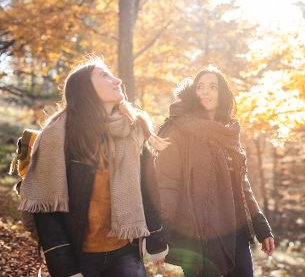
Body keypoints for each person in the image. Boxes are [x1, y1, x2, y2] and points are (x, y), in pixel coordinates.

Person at [18, 58, 169, 277]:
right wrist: (65, 267)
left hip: (124, 252)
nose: (117, 80)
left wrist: (156, 238)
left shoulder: (132, 130)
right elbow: (46, 211)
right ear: (84, 89)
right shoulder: (58, 136)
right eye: (105, 75)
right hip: (79, 256)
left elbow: (147, 190)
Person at [155, 65, 276, 277]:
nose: (205, 92)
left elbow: (241, 184)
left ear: (222, 94)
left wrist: (261, 227)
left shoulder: (229, 132)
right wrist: (162, 232)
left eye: (213, 87)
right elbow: (167, 183)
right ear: (194, 92)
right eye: (200, 86)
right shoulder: (179, 131)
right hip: (197, 235)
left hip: (234, 231)